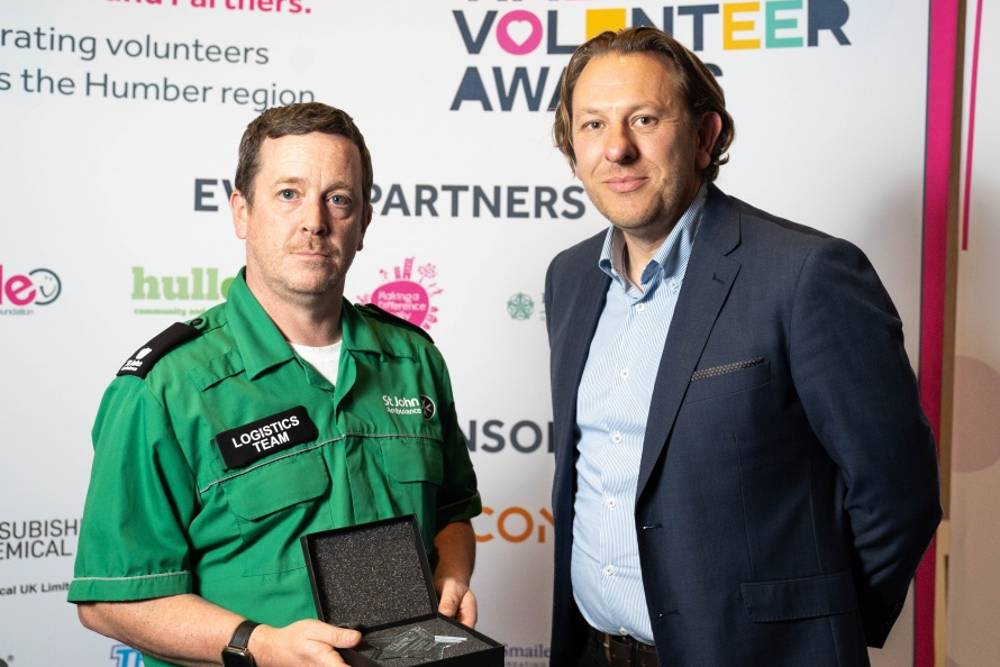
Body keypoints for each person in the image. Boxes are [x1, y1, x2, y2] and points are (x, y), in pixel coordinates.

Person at [544, 27, 941, 667]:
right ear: (572, 147)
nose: (617, 148)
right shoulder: (568, 280)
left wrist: (817, 626)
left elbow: (899, 488)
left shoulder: (806, 274)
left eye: (644, 119)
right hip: (596, 651)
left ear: (705, 137)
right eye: (592, 125)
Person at [68, 102, 482, 667]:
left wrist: (452, 575)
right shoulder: (166, 389)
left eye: (338, 198)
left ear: (363, 221)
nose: (314, 220)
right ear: (241, 211)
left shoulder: (414, 360)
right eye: (288, 194)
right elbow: (110, 599)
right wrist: (259, 645)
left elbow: (453, 514)